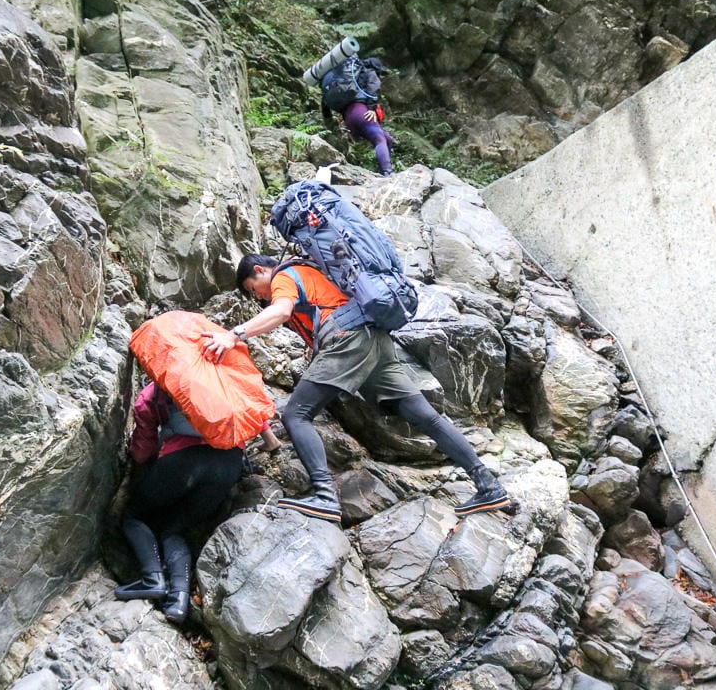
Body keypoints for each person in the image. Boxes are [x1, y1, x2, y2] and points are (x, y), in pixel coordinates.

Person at [200, 255, 510, 522]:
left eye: (255, 290)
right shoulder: (315, 269)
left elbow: (280, 311)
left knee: (296, 414)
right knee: (426, 417)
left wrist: (234, 334)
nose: (260, 298)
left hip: (347, 339)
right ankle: (487, 484)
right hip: (376, 339)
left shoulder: (284, 275)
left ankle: (324, 495)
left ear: (258, 271)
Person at [113, 381, 280, 622]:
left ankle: (152, 578)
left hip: (181, 461)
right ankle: (178, 601)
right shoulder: (226, 378)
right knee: (176, 529)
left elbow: (143, 449)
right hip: (227, 464)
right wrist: (271, 442)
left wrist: (141, 466)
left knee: (134, 516)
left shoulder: (159, 387)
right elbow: (256, 411)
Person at [322, 57, 396, 176]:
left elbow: (325, 100)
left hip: (349, 118)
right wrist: (371, 108)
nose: (380, 76)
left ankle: (383, 168)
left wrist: (328, 119)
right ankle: (387, 172)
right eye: (380, 73)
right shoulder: (369, 72)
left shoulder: (344, 78)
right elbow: (374, 87)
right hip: (361, 111)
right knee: (379, 139)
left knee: (387, 139)